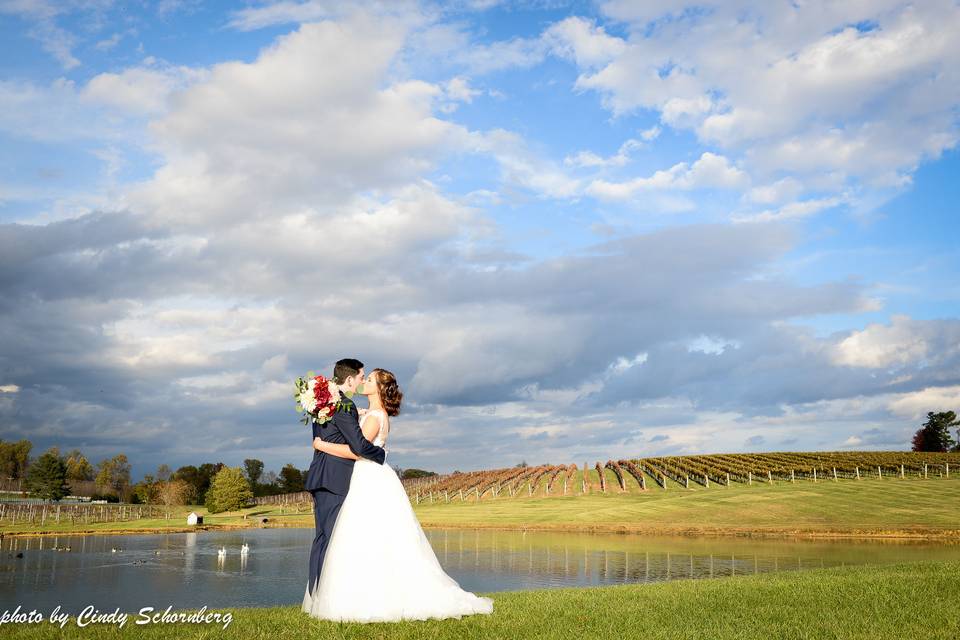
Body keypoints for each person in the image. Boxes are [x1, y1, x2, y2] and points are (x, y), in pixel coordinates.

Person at [302, 367, 494, 622]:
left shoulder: (375, 416)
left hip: (368, 477)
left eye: (369, 380)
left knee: (367, 536)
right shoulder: (371, 413)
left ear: (378, 388)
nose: (364, 382)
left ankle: (371, 596)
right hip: (369, 476)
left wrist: (321, 444)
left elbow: (358, 451)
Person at [302, 358, 386, 601]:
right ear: (349, 379)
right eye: (361, 377)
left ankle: (315, 594)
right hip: (336, 477)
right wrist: (380, 454)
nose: (361, 381)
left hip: (320, 475)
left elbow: (327, 434)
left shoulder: (323, 402)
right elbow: (359, 445)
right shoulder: (344, 405)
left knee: (322, 538)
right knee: (332, 538)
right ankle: (323, 598)